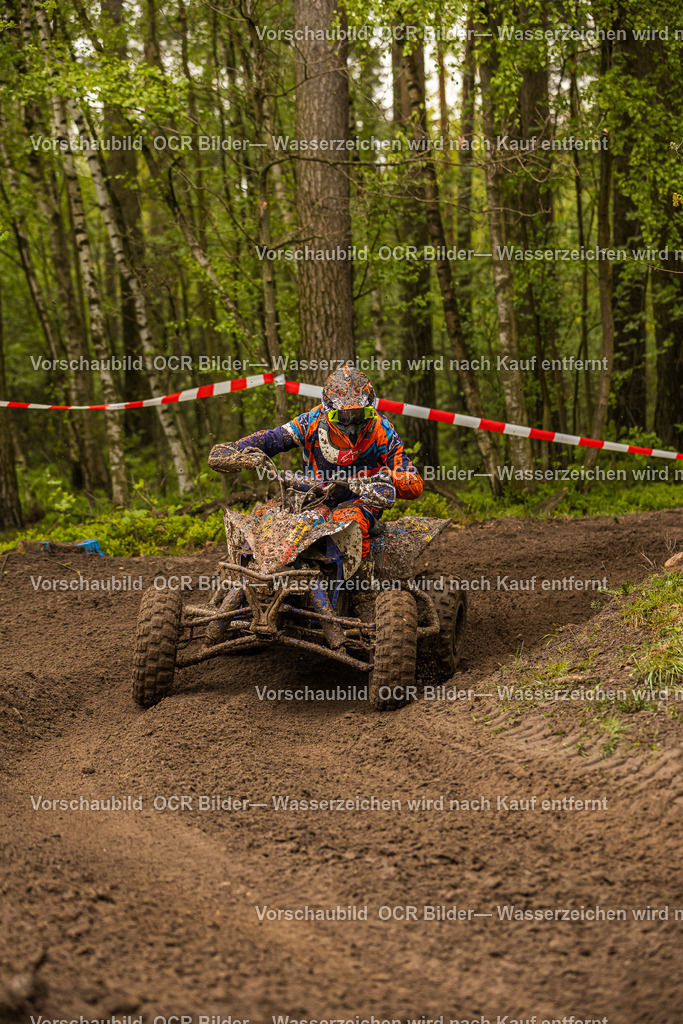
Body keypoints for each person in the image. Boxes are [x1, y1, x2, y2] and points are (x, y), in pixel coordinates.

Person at [208, 366, 423, 556]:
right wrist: (237, 449)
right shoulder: (312, 421)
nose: (352, 423)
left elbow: (413, 481)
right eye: (343, 417)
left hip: (362, 500)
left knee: (349, 525)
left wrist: (389, 479)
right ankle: (251, 574)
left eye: (360, 414)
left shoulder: (381, 430)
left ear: (371, 408)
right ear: (328, 411)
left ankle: (360, 589)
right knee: (270, 519)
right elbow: (274, 438)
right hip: (315, 496)